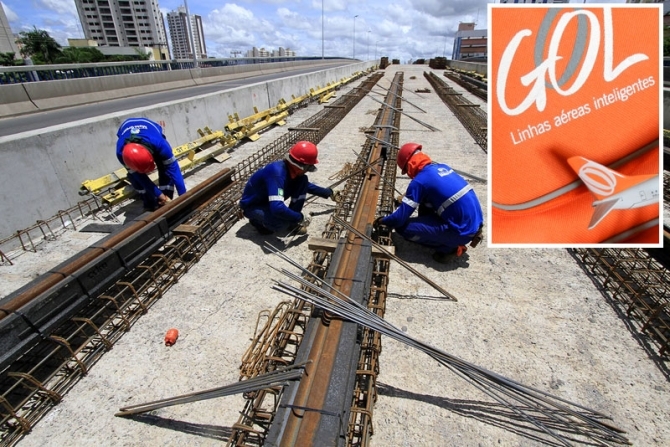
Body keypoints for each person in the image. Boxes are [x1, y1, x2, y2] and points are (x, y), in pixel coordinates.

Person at [374, 142, 483, 263]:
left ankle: (449, 248)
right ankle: (445, 236)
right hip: (474, 223)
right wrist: (409, 195)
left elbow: (399, 219)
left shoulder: (420, 182)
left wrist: (382, 220)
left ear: (409, 166)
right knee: (426, 200)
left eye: (406, 170)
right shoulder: (442, 167)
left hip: (461, 231)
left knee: (403, 228)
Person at [239, 141, 340, 235]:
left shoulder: (292, 171)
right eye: (308, 168)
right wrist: (300, 217)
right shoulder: (277, 173)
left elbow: (307, 186)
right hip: (253, 205)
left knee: (302, 181)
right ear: (300, 167)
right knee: (281, 224)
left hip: (268, 201)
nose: (307, 171)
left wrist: (329, 192)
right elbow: (277, 208)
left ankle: (292, 223)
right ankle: (257, 222)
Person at [115, 117, 186, 211]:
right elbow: (141, 178)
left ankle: (166, 197)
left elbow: (174, 170)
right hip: (126, 130)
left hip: (150, 130)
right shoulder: (121, 154)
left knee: (165, 171)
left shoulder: (161, 145)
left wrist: (183, 196)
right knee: (136, 179)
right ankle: (149, 204)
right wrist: (160, 196)